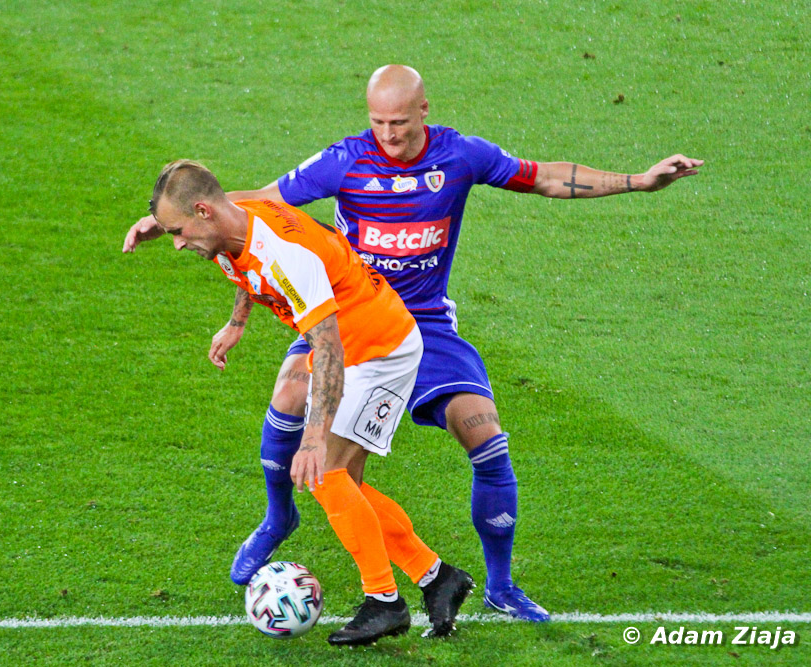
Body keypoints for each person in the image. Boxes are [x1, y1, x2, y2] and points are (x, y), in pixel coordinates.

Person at [124, 66, 704, 623]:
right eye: (377, 122)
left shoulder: (460, 156)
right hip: (341, 313)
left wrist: (637, 180)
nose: (388, 134)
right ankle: (282, 518)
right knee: (292, 400)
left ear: (424, 110)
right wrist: (176, 221)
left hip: (421, 324)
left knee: (485, 440)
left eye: (399, 122)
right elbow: (260, 211)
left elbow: (543, 176)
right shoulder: (344, 161)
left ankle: (497, 586)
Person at [136, 159, 475, 644]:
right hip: (354, 343)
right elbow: (245, 272)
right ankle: (437, 577)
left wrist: (313, 437)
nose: (176, 243)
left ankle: (385, 602)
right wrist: (236, 323)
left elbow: (328, 346)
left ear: (204, 211)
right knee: (344, 485)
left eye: (177, 231)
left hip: (377, 349)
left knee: (327, 473)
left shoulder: (284, 255)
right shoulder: (229, 227)